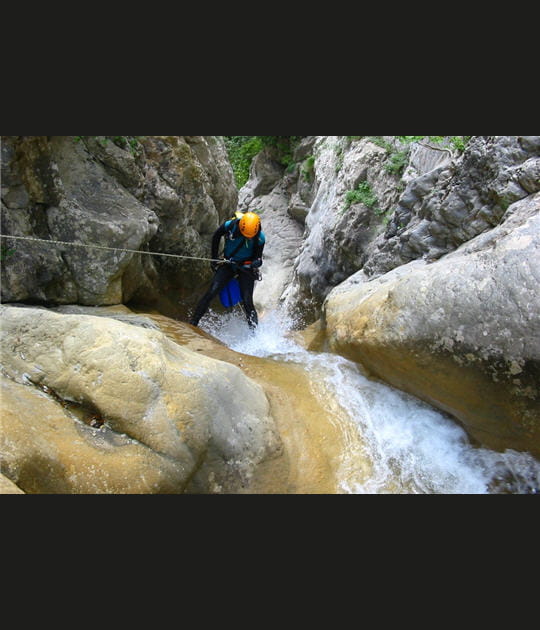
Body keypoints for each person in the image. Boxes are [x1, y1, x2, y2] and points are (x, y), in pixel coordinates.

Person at [189, 211, 265, 329]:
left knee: (247, 301)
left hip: (245, 268)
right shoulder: (231, 225)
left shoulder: (260, 238)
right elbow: (216, 236)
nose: (247, 237)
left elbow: (258, 257)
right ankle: (193, 323)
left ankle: (255, 334)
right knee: (211, 292)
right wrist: (214, 258)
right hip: (229, 264)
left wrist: (256, 263)